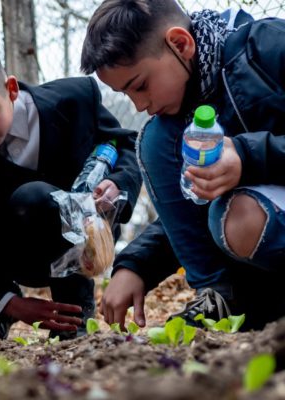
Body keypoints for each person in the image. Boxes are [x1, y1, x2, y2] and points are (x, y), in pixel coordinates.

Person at [81, 0, 285, 331]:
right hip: (258, 262)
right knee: (155, 140)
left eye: (140, 85)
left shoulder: (268, 46)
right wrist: (135, 265)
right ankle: (223, 300)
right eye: (126, 94)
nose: (141, 105)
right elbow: (191, 211)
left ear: (180, 44)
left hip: (253, 220)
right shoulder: (180, 124)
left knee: (237, 216)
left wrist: (248, 157)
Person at [0, 34, 141, 340]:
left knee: (35, 196)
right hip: (14, 251)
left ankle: (74, 315)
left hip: (83, 239)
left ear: (10, 89)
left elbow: (123, 144)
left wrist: (117, 185)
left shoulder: (75, 99)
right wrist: (10, 304)